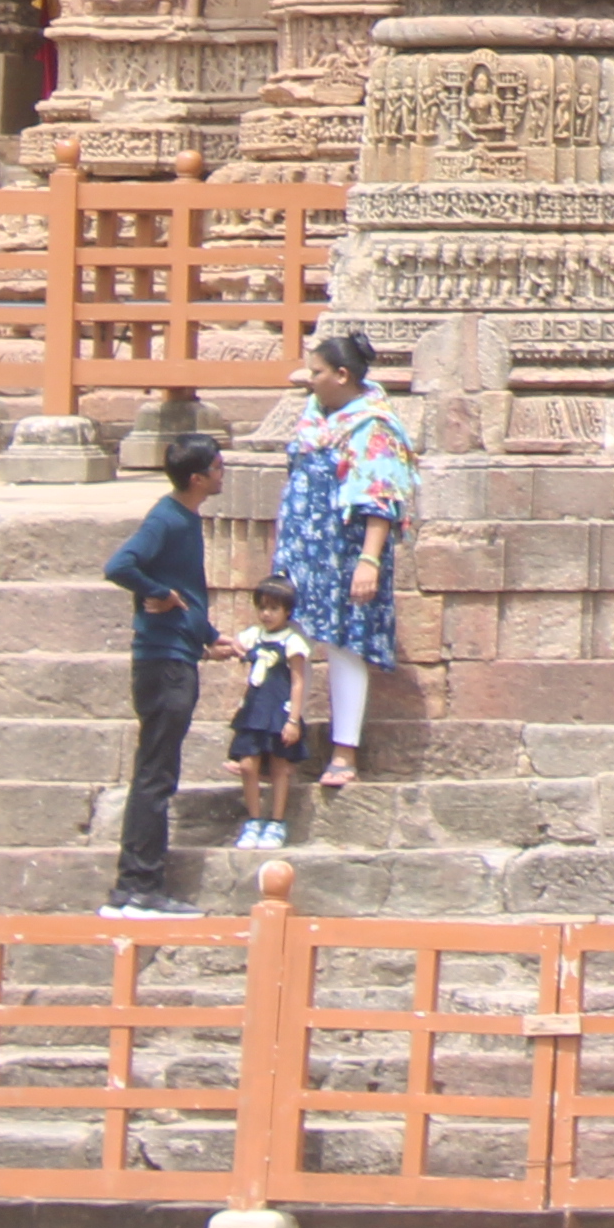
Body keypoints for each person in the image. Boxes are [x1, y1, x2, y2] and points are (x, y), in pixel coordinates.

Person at [272, 327, 418, 788]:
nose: (307, 380)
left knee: (343, 646)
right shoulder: (317, 413)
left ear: (341, 375)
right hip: (303, 548)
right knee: (290, 642)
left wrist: (369, 561)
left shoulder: (372, 425)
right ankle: (278, 742)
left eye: (316, 372)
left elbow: (381, 499)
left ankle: (344, 750)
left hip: (345, 552)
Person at [101, 429, 226, 916]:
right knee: (156, 776)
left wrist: (209, 636)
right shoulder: (167, 519)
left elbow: (184, 592)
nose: (222, 472)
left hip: (179, 654)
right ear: (197, 478)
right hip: (164, 665)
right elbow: (120, 565)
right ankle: (139, 887)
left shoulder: (185, 518)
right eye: (216, 467)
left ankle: (134, 886)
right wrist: (156, 592)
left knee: (157, 773)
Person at [228, 584, 313, 853]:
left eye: (274, 608)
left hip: (279, 710)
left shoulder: (292, 642)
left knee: (280, 766)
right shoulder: (253, 636)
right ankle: (253, 819)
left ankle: (276, 821)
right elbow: (233, 645)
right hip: (255, 710)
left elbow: (298, 681)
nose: (266, 614)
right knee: (247, 765)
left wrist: (293, 719)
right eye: (262, 607)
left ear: (287, 611)